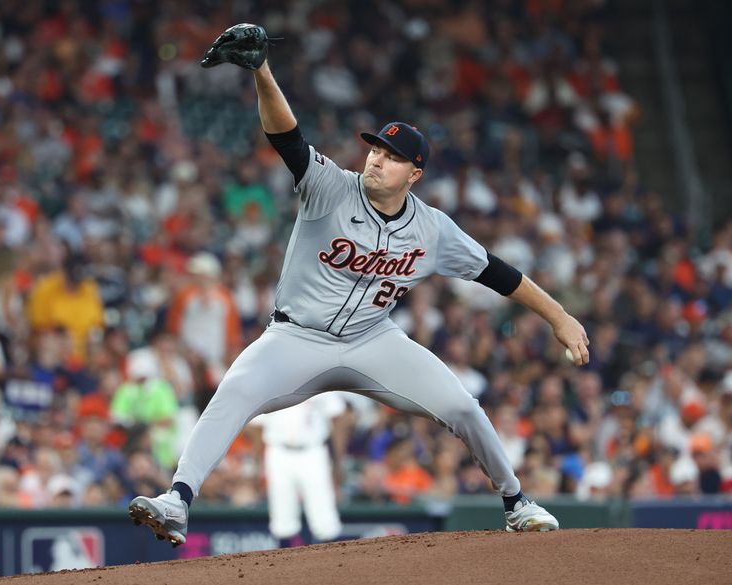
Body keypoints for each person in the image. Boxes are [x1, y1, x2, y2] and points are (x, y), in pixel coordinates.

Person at [129, 26, 590, 546]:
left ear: (415, 173)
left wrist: (559, 316)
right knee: (233, 392)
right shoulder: (330, 187)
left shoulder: (433, 229)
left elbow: (500, 274)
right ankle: (176, 500)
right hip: (296, 338)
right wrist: (262, 72)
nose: (376, 158)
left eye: (392, 157)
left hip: (374, 340)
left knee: (462, 405)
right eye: (374, 149)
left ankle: (516, 502)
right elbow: (286, 137)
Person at [249, 392, 346, 546]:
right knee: (282, 512)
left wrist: (338, 460)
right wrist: (256, 465)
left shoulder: (319, 377)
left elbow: (339, 417)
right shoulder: (273, 380)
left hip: (313, 451)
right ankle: (284, 564)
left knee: (323, 512)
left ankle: (332, 563)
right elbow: (257, 426)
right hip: (278, 451)